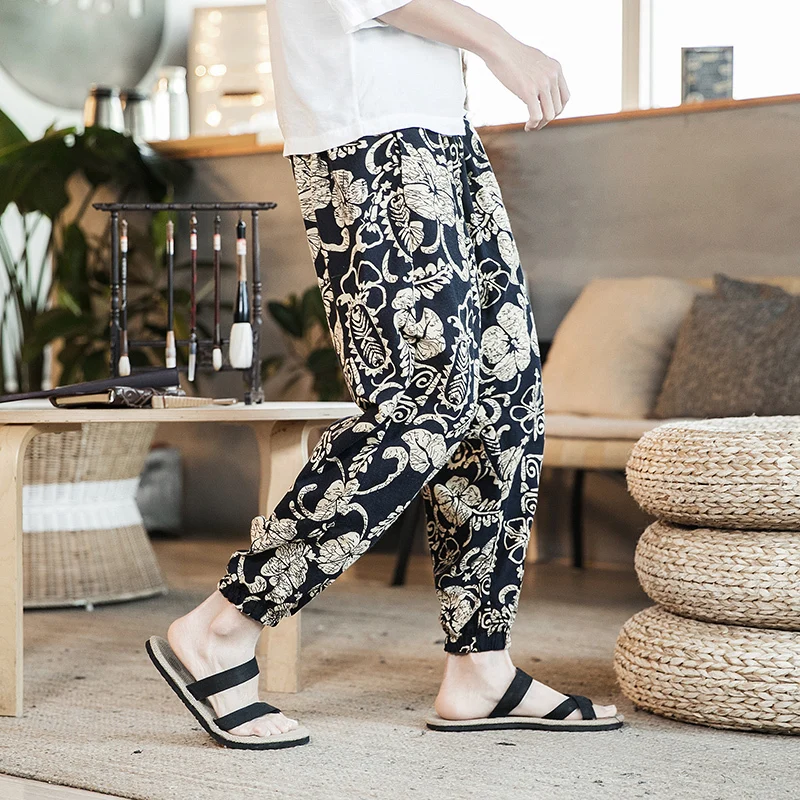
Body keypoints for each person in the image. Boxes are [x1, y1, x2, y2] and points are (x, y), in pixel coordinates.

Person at [147, 0, 622, 749]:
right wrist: (502, 43)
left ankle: (480, 666)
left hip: (444, 134)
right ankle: (225, 624)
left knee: (507, 402)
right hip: (368, 141)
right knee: (426, 404)